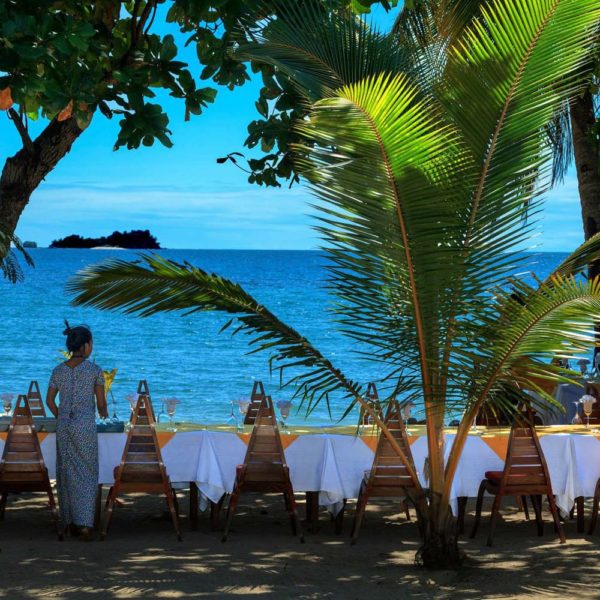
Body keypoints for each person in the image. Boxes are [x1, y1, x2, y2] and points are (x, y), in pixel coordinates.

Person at [46, 321, 108, 540]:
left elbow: (50, 400)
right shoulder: (94, 371)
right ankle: (86, 524)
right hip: (85, 427)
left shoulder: (58, 370)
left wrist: (61, 415)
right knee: (87, 473)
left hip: (64, 426)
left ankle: (69, 521)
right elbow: (101, 404)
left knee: (66, 472)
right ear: (86, 346)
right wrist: (105, 413)